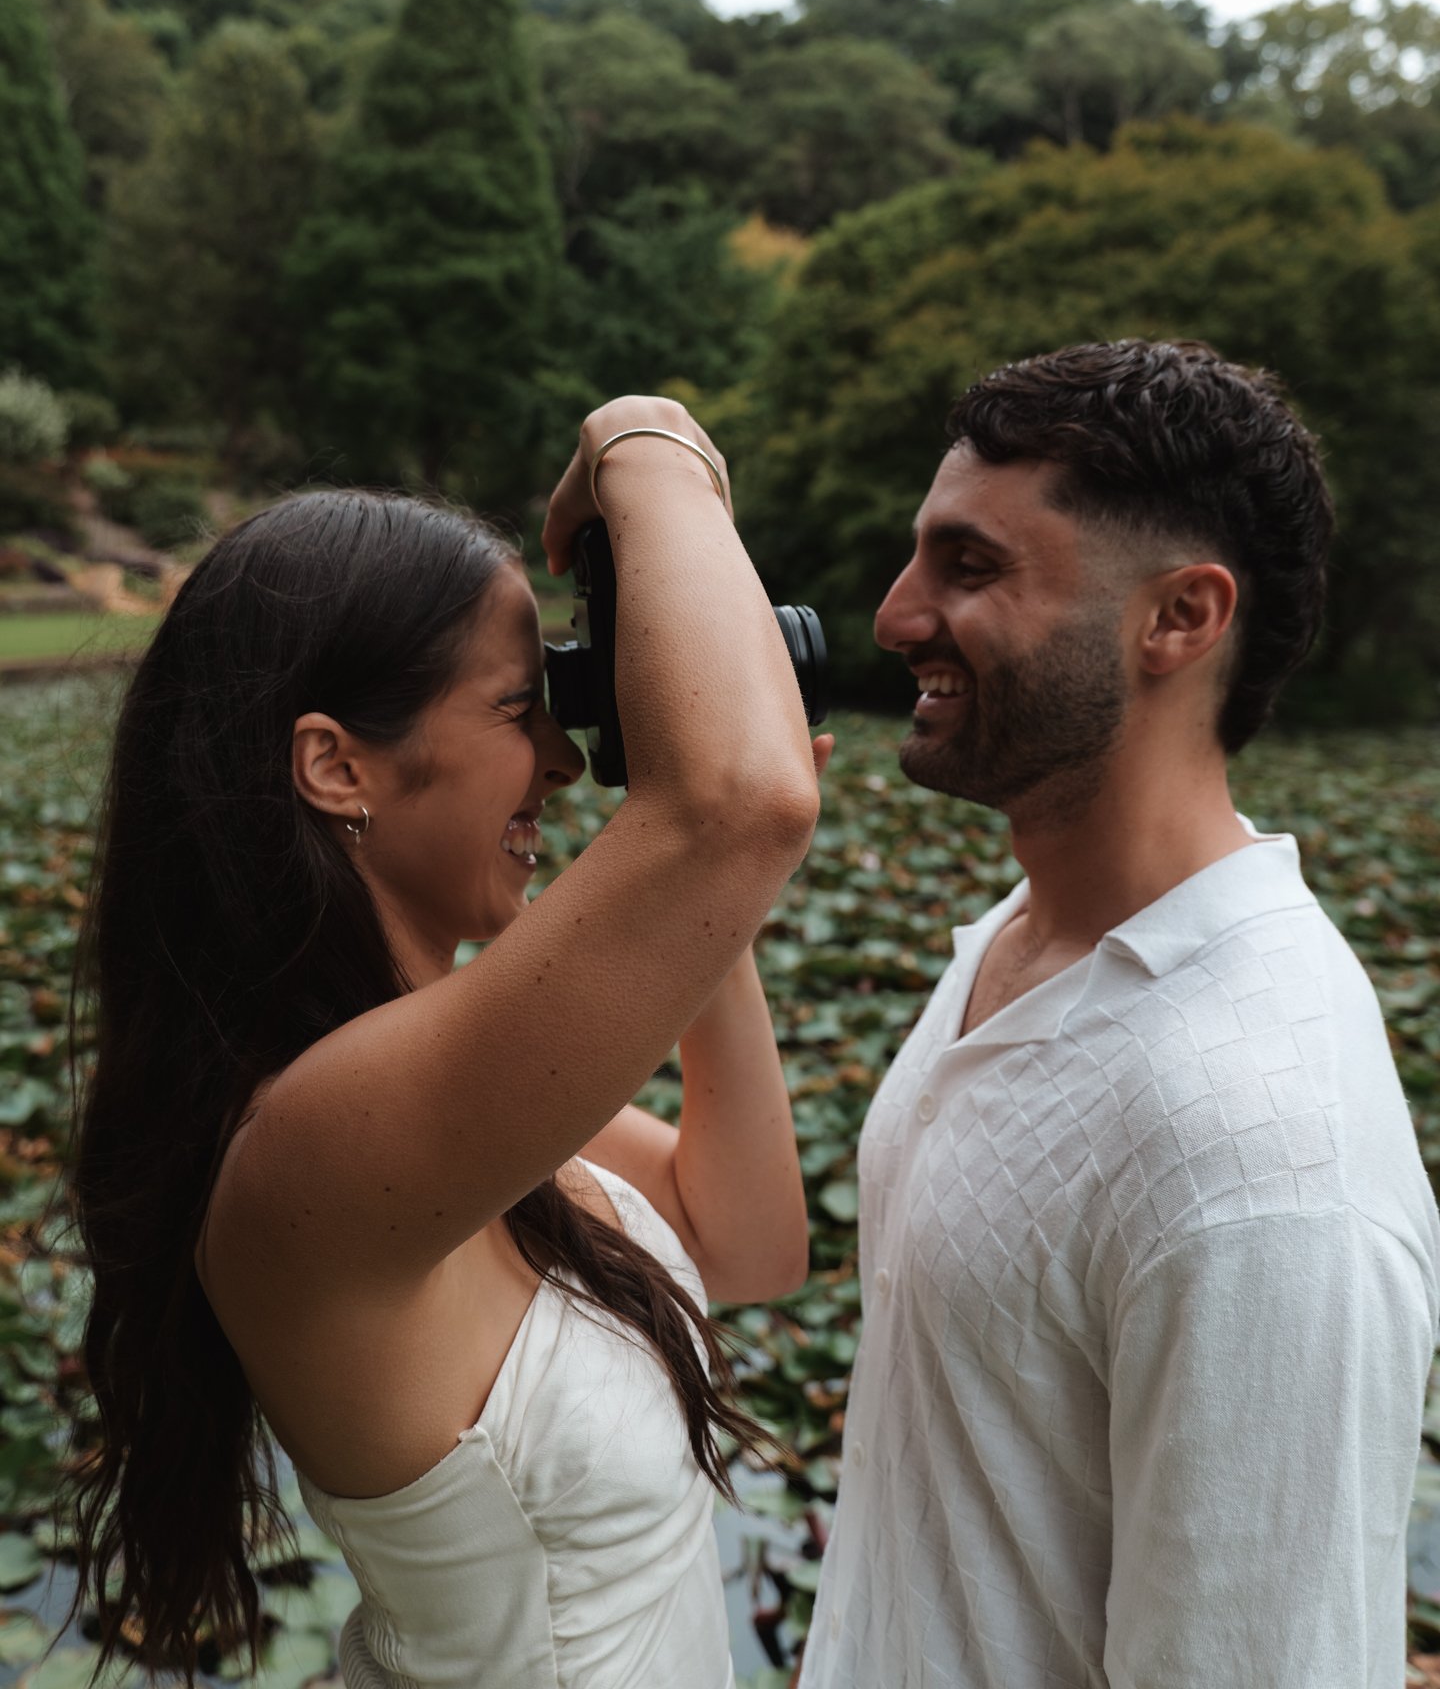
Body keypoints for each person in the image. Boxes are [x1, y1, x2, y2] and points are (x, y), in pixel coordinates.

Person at [65, 395, 824, 1689]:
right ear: (337, 766)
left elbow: (747, 1237)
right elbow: (740, 799)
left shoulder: (436, 1103)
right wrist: (645, 437)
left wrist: (698, 891)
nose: (567, 762)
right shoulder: (314, 1145)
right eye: (523, 709)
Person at [800, 338, 1440, 1689]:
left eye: (970, 567)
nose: (897, 617)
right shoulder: (1017, 940)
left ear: (1180, 618)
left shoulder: (1264, 1156)